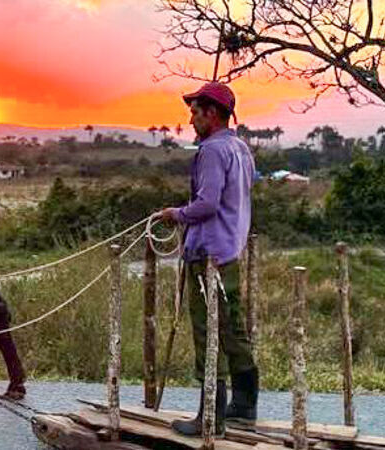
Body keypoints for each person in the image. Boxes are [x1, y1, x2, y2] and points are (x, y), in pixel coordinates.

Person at [158, 81, 258, 437]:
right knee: (232, 327)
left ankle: (210, 417)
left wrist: (175, 214)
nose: (190, 118)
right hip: (230, 249)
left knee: (208, 331)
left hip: (208, 254)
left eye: (195, 111)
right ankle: (244, 406)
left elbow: (208, 204)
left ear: (211, 114)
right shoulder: (240, 148)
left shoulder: (212, 151)